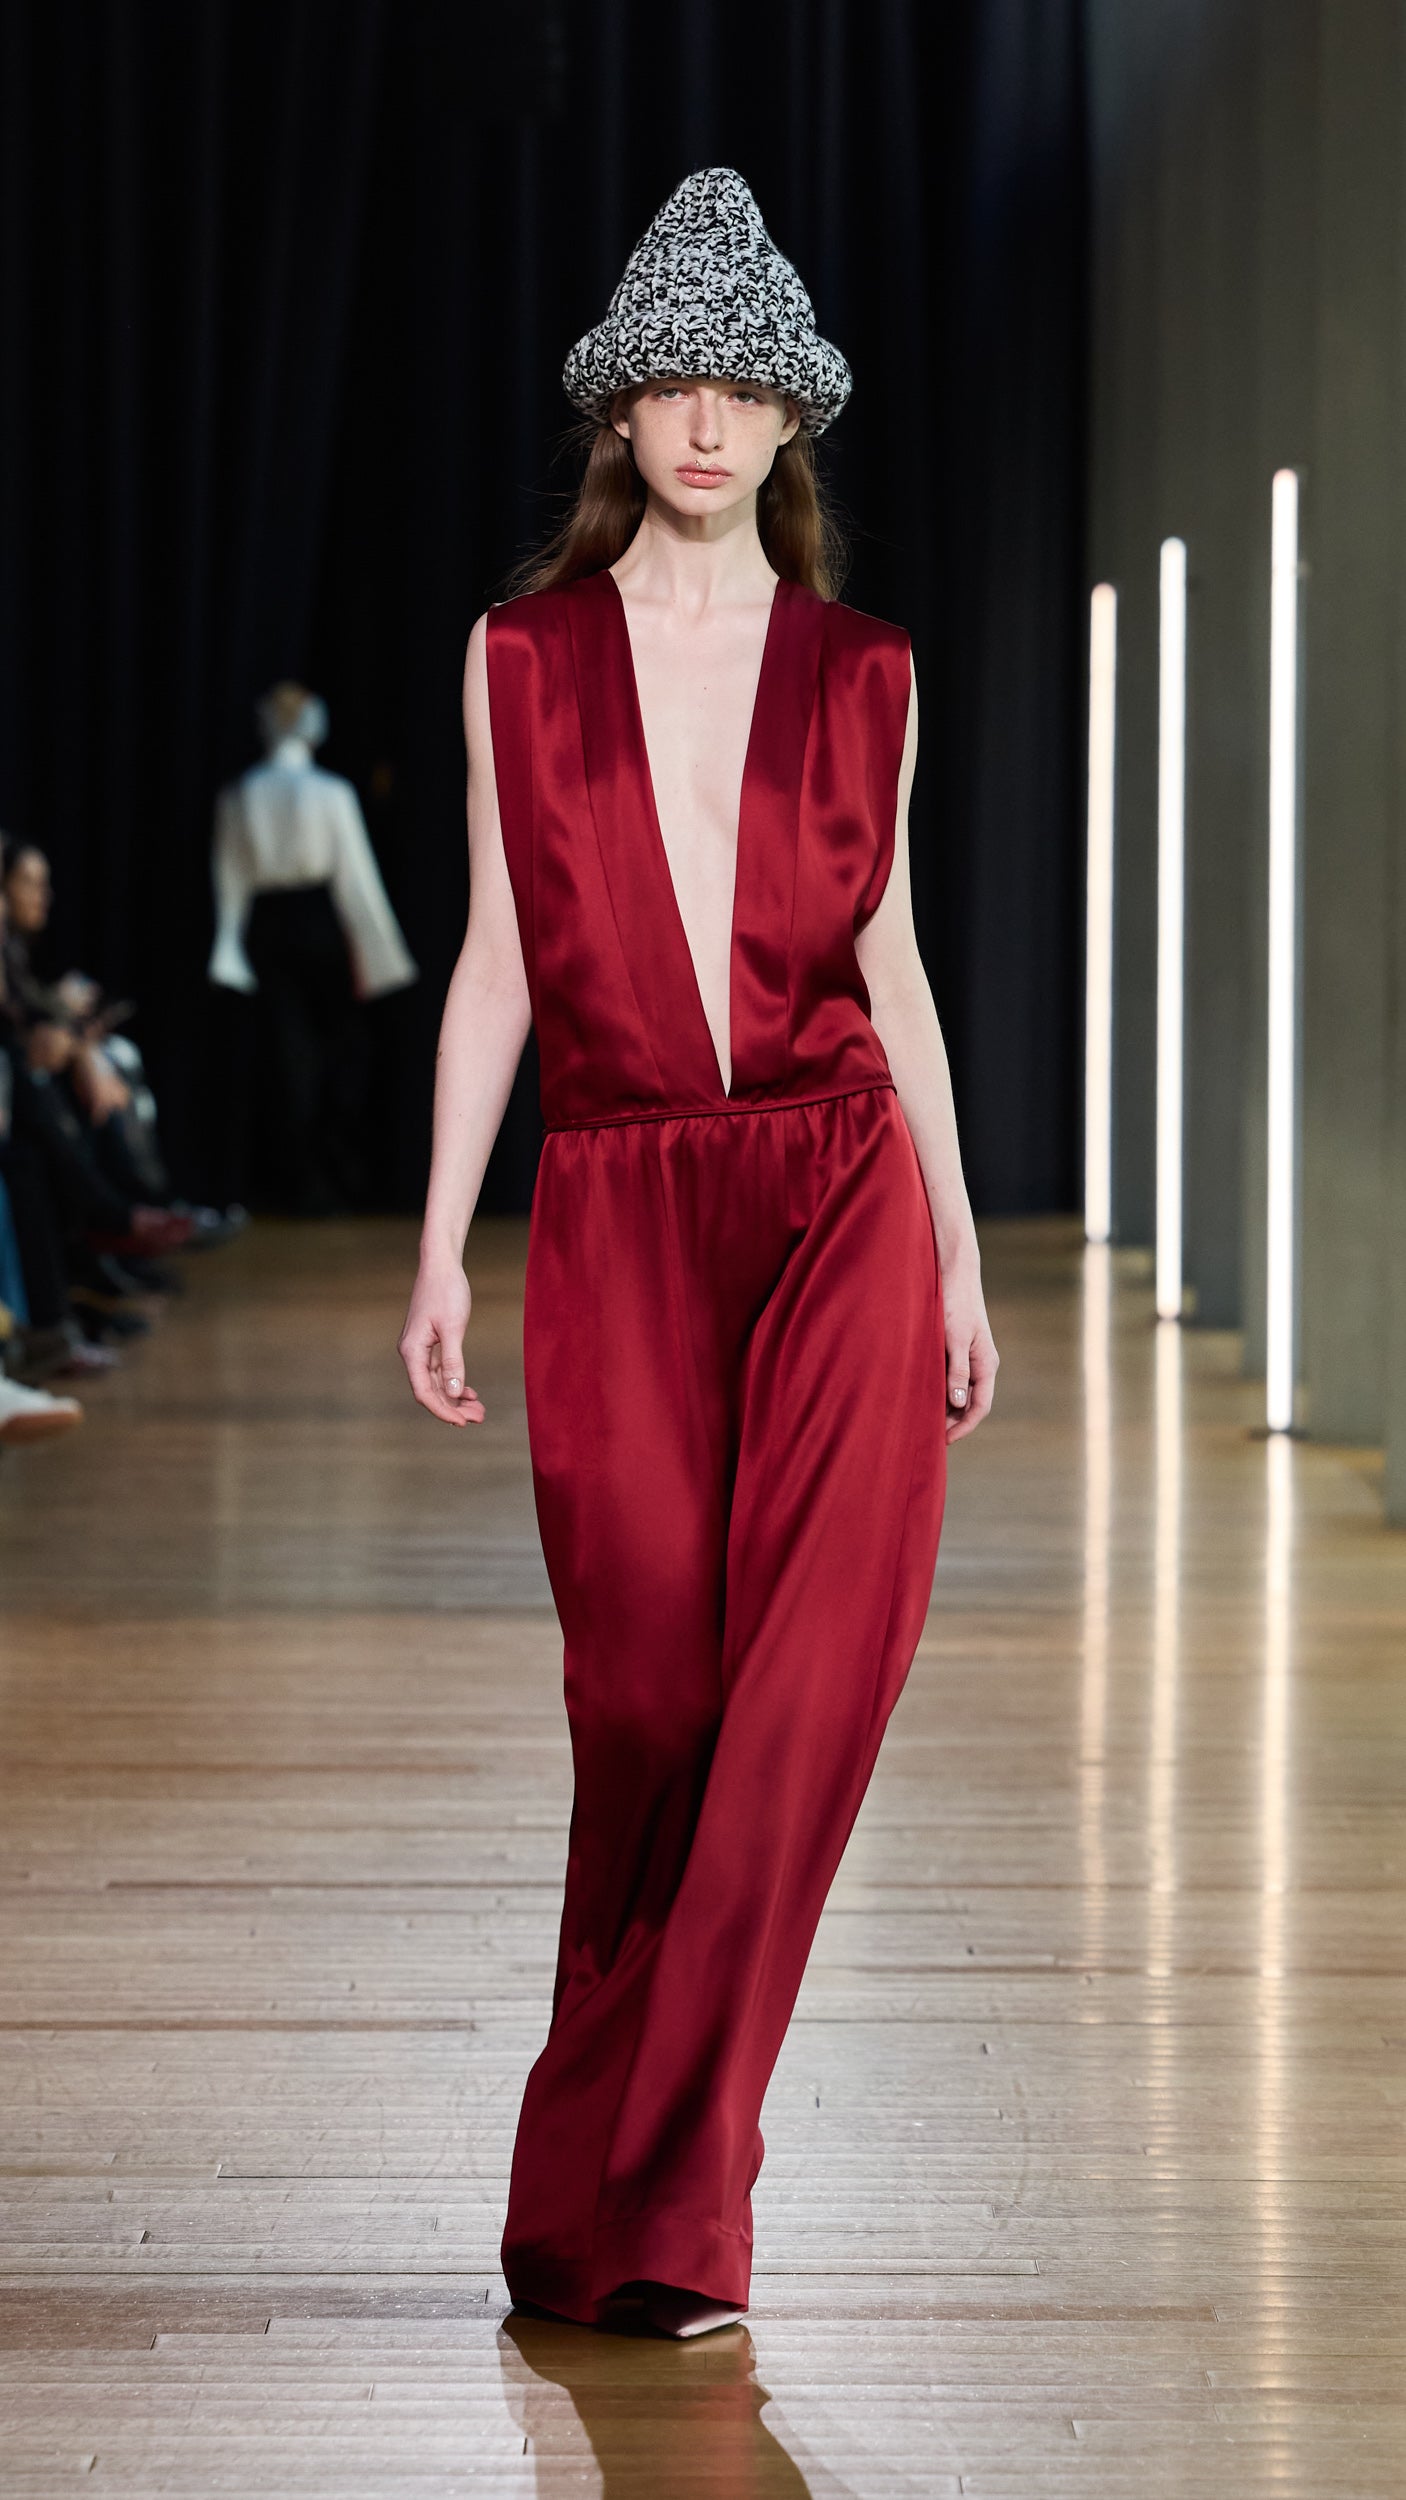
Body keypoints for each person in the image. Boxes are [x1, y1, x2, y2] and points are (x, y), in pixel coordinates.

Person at [398, 168, 999, 2339]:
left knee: (810, 1679)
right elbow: (494, 959)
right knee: (650, 1698)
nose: (711, 422)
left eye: (746, 387)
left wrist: (955, 1254)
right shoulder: (522, 657)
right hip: (623, 1197)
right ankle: (592, 2179)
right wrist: (442, 1244)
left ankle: (677, 2199)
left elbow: (893, 971)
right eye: (675, 383)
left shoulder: (867, 671)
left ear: (794, 413)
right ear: (620, 410)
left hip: (839, 1188)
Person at [207, 683, 418, 1213]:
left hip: (272, 928)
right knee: (322, 1053)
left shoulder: (242, 793)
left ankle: (306, 1178)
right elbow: (357, 881)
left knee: (290, 1053)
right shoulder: (330, 792)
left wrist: (227, 947)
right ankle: (320, 1178)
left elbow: (230, 883)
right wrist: (381, 956)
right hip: (317, 923)